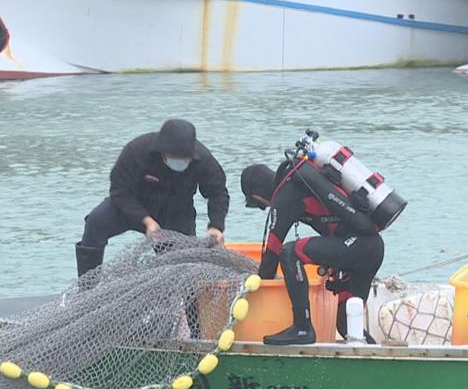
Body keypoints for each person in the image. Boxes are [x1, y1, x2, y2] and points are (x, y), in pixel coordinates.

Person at [240, 159, 384, 345]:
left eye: (259, 203)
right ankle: (375, 360)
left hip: (358, 247)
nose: (265, 207)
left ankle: (302, 327)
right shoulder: (302, 183)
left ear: (257, 195)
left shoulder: (285, 194)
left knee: (290, 252)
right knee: (347, 325)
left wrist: (258, 285)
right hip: (372, 248)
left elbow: (273, 251)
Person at [74, 119, 229, 276]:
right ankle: (87, 288)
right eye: (172, 156)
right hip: (130, 207)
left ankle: (178, 296)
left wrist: (216, 225)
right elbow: (119, 190)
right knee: (95, 222)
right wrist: (146, 220)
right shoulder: (137, 150)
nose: (178, 161)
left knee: (182, 264)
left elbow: (218, 193)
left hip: (175, 215)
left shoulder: (203, 159)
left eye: (183, 158)